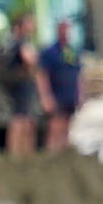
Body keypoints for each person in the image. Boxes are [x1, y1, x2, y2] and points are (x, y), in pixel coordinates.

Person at [39, 15, 88, 154]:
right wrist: (46, 96)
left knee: (67, 124)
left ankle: (63, 154)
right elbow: (42, 75)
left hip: (69, 94)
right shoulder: (49, 52)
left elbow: (78, 75)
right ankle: (52, 155)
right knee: (55, 125)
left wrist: (81, 94)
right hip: (56, 93)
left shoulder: (72, 51)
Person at [0, 15, 41, 156]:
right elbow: (30, 60)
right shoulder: (21, 42)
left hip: (20, 85)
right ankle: (17, 153)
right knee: (20, 120)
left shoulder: (13, 42)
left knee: (24, 119)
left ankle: (21, 154)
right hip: (22, 85)